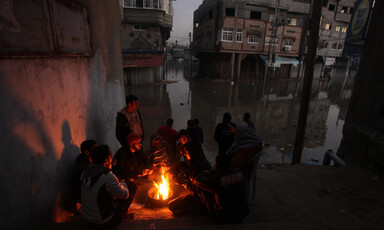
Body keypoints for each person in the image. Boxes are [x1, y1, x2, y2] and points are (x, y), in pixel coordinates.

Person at [81, 145, 135, 227]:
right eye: (110, 156)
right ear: (107, 160)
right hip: (102, 222)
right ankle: (122, 214)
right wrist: (123, 183)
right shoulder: (106, 175)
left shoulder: (86, 172)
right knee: (131, 186)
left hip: (87, 219)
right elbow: (124, 195)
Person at [71, 140, 97, 204]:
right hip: (81, 194)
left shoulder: (92, 161)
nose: (98, 151)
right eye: (95, 149)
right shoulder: (83, 165)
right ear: (87, 152)